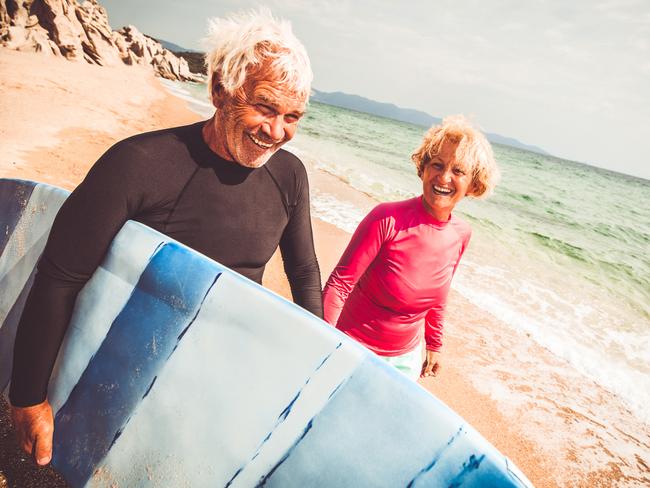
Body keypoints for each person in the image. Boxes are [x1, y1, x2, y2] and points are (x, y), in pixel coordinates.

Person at [10, 9, 322, 466]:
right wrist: (28, 397)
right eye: (265, 107)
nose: (277, 132)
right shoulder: (139, 164)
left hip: (220, 374)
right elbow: (60, 276)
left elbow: (304, 271)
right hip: (128, 371)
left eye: (292, 116)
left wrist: (319, 357)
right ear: (220, 89)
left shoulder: (290, 176)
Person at [322, 115, 498, 381]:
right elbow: (339, 285)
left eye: (458, 171)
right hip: (352, 347)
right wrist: (324, 340)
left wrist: (434, 343)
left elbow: (440, 293)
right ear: (423, 169)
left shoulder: (461, 234)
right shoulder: (386, 219)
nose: (444, 177)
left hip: (405, 361)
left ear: (473, 183)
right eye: (437, 165)